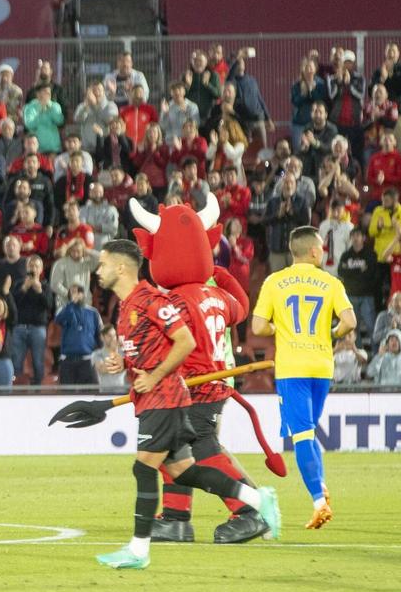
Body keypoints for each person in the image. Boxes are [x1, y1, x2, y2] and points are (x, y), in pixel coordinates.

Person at [92, 240, 280, 570]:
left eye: (103, 264)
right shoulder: (139, 304)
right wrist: (123, 363)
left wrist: (154, 376)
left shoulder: (163, 299)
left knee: (158, 463)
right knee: (183, 468)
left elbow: (185, 341)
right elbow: (239, 309)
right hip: (192, 387)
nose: (98, 270)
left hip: (178, 391)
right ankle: (242, 502)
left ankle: (143, 547)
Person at [250, 226, 357, 530]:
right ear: (313, 251)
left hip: (292, 367)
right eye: (322, 247)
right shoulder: (330, 282)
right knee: (308, 432)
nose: (323, 252)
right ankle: (322, 491)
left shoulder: (274, 282)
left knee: (301, 436)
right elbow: (349, 321)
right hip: (322, 367)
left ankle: (318, 503)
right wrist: (333, 333)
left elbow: (258, 326)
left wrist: (278, 329)